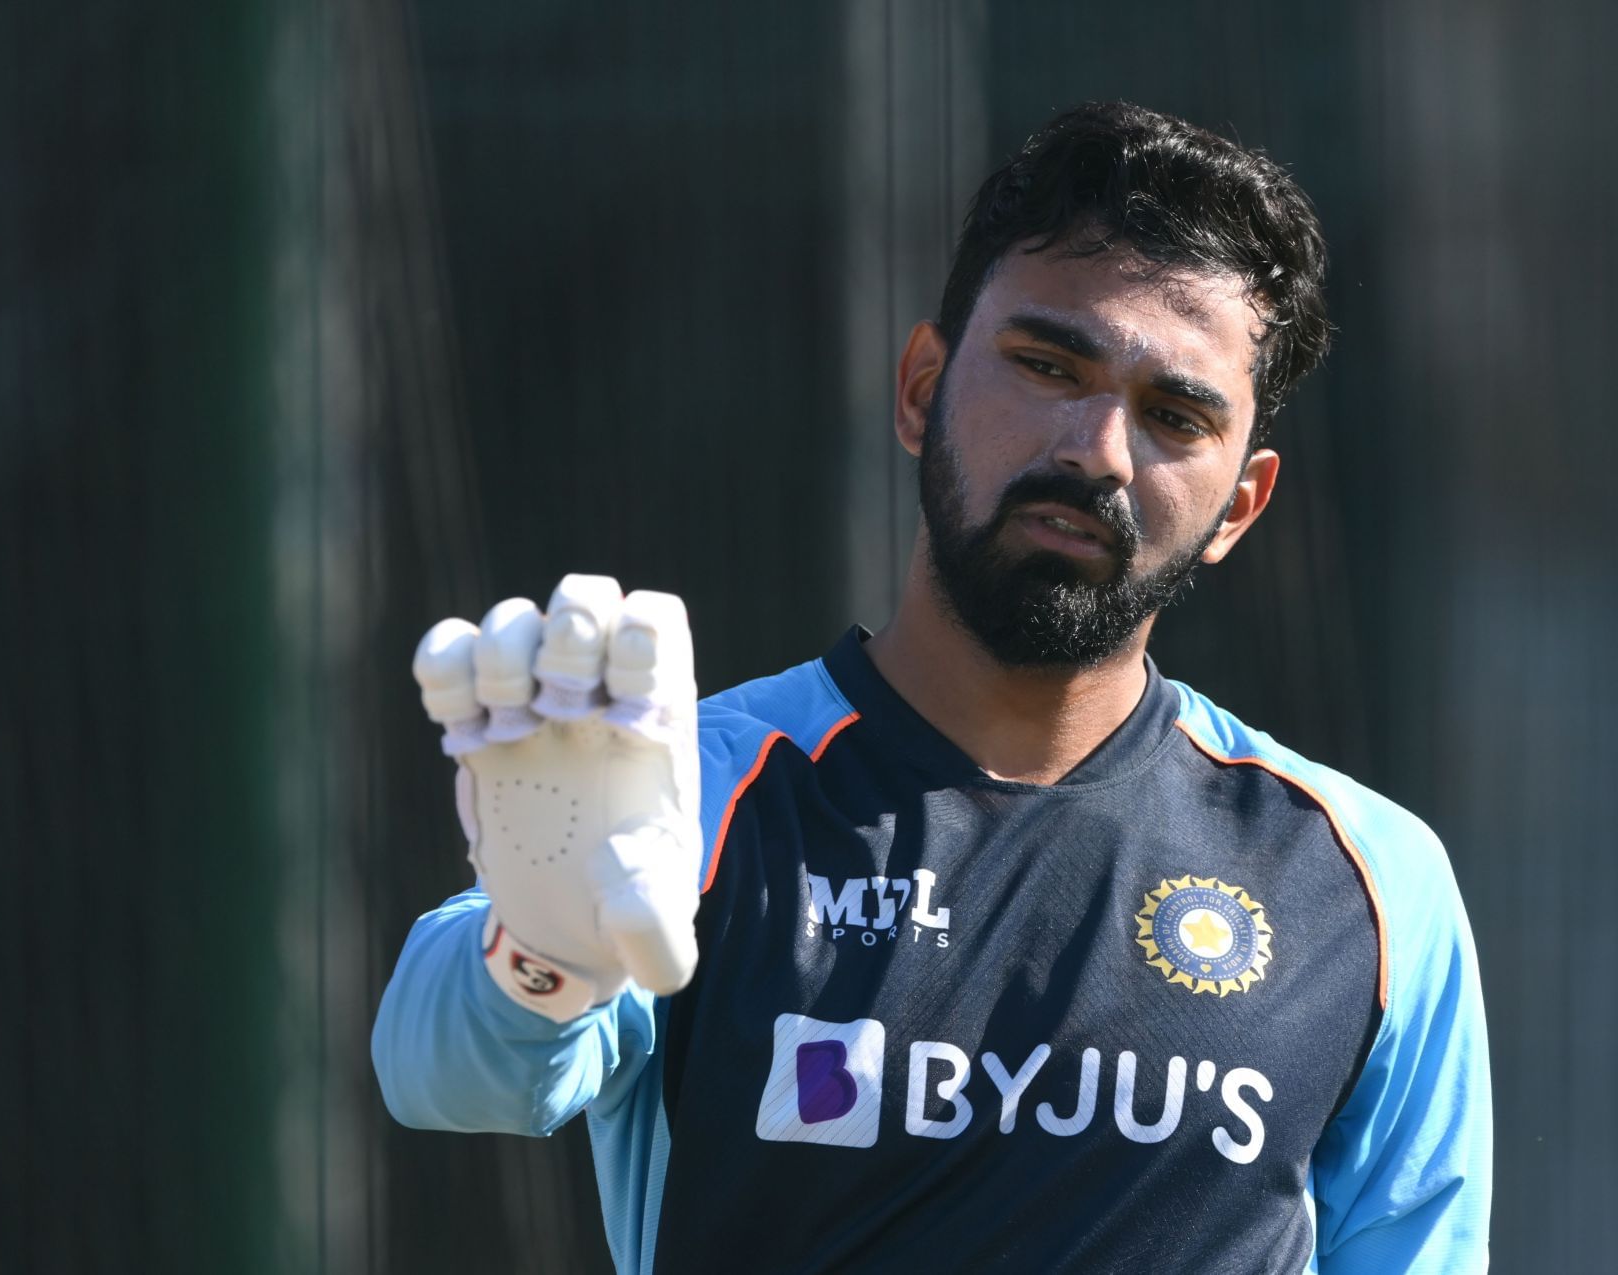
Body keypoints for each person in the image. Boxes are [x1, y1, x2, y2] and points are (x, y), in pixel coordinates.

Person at [373, 101, 1491, 1274]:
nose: (1097, 449)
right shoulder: (691, 791)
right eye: (1047, 364)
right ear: (921, 389)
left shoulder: (1370, 881)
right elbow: (442, 1076)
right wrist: (543, 946)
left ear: (1240, 508)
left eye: (1173, 415)